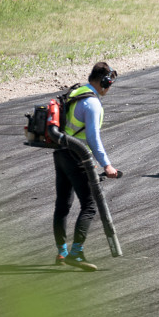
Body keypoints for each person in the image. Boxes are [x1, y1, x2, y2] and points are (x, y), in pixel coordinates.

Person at [53, 62, 120, 270]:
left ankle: (62, 253)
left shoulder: (77, 91)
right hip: (78, 156)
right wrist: (106, 165)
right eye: (109, 84)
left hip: (61, 152)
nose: (109, 88)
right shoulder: (93, 104)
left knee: (63, 203)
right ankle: (76, 253)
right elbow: (92, 138)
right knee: (89, 205)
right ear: (103, 82)